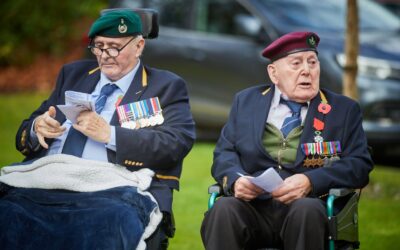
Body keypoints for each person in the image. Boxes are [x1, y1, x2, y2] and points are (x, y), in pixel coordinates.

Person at [0, 9, 195, 249]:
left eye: (114, 47)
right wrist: (36, 127)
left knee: (108, 224)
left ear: (139, 46)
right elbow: (26, 134)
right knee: (7, 212)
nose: (105, 55)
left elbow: (175, 143)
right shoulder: (73, 75)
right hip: (45, 182)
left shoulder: (164, 86)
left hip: (112, 190)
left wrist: (109, 135)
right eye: (99, 46)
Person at [200, 31, 373, 250]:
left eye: (312, 62)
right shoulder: (246, 101)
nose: (306, 71)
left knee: (306, 210)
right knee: (224, 208)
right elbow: (224, 153)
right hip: (254, 209)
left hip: (308, 209)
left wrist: (311, 181)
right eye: (296, 63)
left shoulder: (343, 110)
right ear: (274, 73)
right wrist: (236, 180)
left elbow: (359, 164)